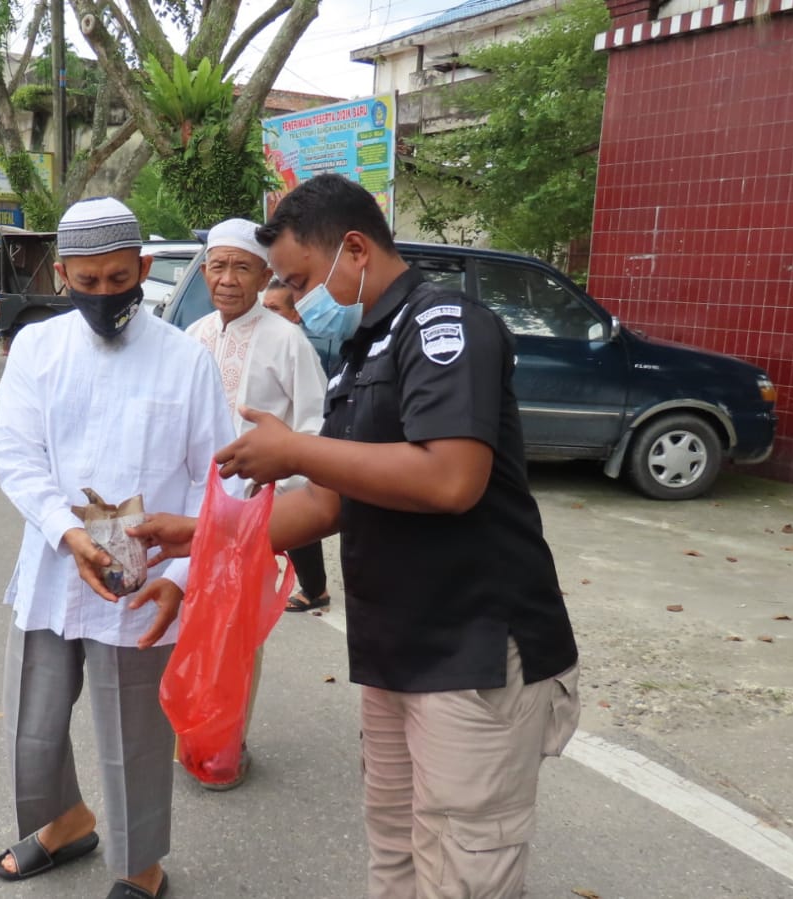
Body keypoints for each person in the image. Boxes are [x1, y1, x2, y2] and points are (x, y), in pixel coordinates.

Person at [133, 174, 581, 899]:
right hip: (394, 643)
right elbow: (324, 504)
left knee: (465, 858)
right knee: (396, 839)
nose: (292, 297)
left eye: (299, 278)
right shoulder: (367, 342)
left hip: (473, 644)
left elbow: (450, 478)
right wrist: (197, 535)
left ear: (353, 247)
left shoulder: (445, 326)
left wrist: (298, 451)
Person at [0, 196, 232, 899]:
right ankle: (65, 821)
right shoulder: (38, 346)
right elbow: (15, 453)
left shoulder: (185, 361)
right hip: (54, 561)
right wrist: (65, 532)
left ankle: (140, 863)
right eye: (86, 283)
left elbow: (212, 479)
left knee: (134, 732)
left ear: (144, 268)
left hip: (143, 574)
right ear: (60, 273)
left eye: (118, 280)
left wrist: (182, 574)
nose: (103, 296)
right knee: (32, 724)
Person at [184, 217, 326, 789]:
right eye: (217, 266)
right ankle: (190, 735)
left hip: (252, 517)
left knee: (236, 632)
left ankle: (226, 747)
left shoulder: (287, 340)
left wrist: (282, 501)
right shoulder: (191, 337)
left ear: (265, 272)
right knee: (190, 626)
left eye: (241, 266)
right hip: (190, 513)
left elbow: (316, 431)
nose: (227, 279)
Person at [258, 276, 336, 613]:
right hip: (265, 459)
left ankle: (315, 590)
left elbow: (313, 409)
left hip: (288, 458)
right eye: (264, 309)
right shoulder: (259, 343)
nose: (267, 316)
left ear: (294, 316)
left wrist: (296, 456)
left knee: (298, 527)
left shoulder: (295, 346)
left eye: (275, 309)